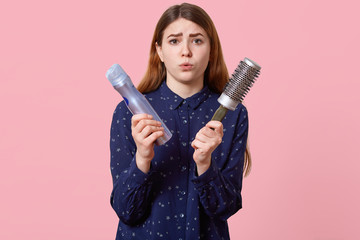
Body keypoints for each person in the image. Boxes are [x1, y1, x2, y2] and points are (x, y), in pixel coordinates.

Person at [109, 3, 251, 239]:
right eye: (174, 41)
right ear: (160, 51)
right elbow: (127, 210)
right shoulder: (131, 114)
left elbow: (225, 208)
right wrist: (142, 158)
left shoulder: (234, 114)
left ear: (211, 50)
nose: (186, 51)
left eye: (197, 40)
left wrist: (205, 165)